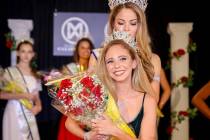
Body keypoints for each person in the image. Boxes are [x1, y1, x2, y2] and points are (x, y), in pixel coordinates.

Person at [88, 0, 161, 102]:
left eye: (133, 23)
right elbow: (90, 96)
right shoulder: (97, 55)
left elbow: (154, 99)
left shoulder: (152, 58)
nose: (126, 28)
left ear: (139, 26)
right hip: (107, 115)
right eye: (121, 23)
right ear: (113, 24)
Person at [91, 33, 157, 139]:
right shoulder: (100, 98)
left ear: (134, 63)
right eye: (110, 61)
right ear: (106, 67)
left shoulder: (148, 100)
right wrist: (89, 136)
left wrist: (114, 130)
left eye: (123, 59)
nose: (117, 66)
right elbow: (70, 122)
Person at [0, 40, 42, 140]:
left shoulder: (35, 74)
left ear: (33, 54)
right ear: (18, 53)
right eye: (23, 51)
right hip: (14, 111)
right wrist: (22, 95)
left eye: (29, 52)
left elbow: (36, 96)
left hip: (29, 112)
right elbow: (1, 95)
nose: (26, 55)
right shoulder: (9, 72)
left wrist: (39, 106)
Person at [57, 37, 94, 140]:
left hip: (91, 115)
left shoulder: (96, 69)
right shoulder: (69, 68)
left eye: (88, 48)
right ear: (77, 50)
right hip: (71, 115)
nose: (85, 50)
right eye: (82, 47)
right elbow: (62, 93)